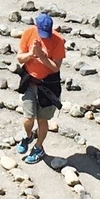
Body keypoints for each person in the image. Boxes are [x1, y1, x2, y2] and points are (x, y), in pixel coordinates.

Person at [15, 12, 66, 164]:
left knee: (42, 120)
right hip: (30, 81)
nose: (45, 36)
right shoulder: (29, 33)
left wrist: (43, 57)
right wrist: (32, 53)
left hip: (48, 85)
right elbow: (19, 58)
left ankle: (39, 147)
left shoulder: (58, 41)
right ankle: (28, 135)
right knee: (28, 118)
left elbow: (55, 68)